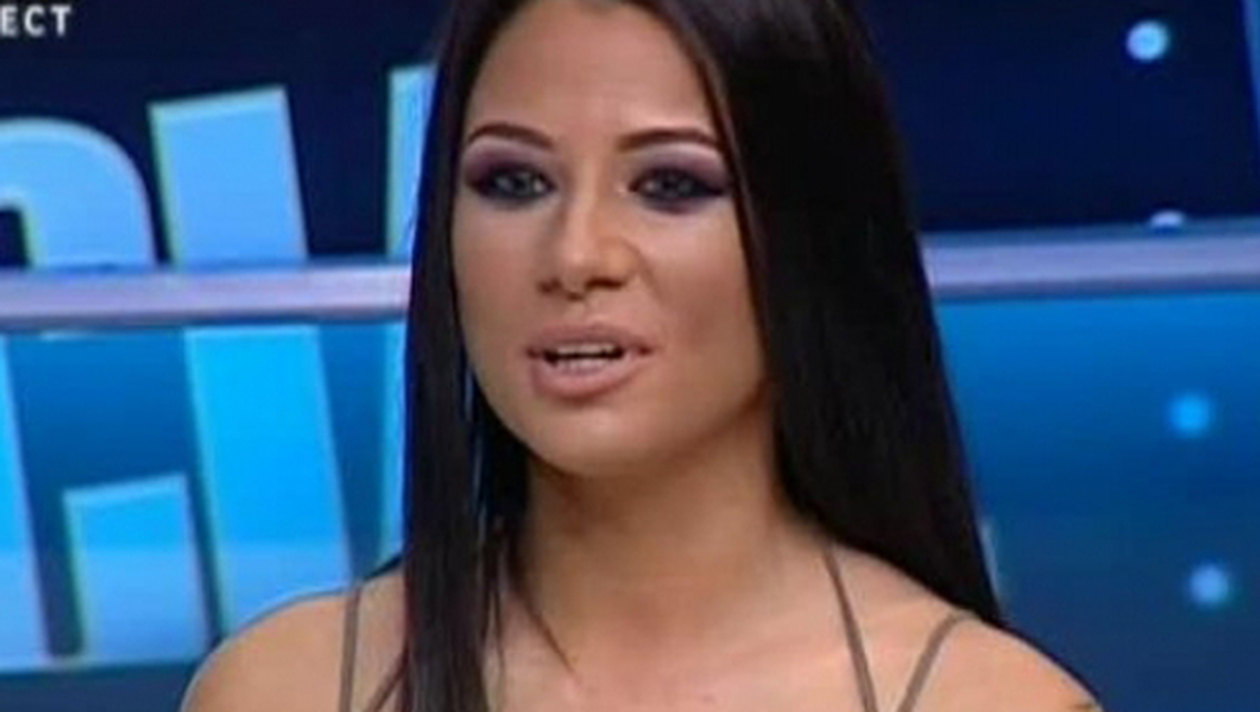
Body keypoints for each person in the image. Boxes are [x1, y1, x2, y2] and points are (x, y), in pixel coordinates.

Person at [182, 0, 1102, 710]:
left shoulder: (986, 699)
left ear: (809, 239)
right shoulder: (287, 688)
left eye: (670, 185)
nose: (576, 254)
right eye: (515, 182)